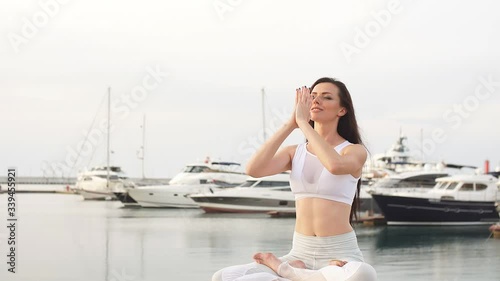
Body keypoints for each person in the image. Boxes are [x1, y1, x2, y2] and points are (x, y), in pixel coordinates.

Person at [211, 77, 377, 281]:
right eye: (313, 96)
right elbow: (253, 169)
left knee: (363, 274)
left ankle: (286, 271)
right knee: (222, 277)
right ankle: (299, 271)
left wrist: (303, 123)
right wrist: (290, 124)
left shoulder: (353, 151)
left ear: (341, 110)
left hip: (340, 255)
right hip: (300, 253)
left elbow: (334, 166)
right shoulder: (294, 153)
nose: (316, 101)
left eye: (326, 97)